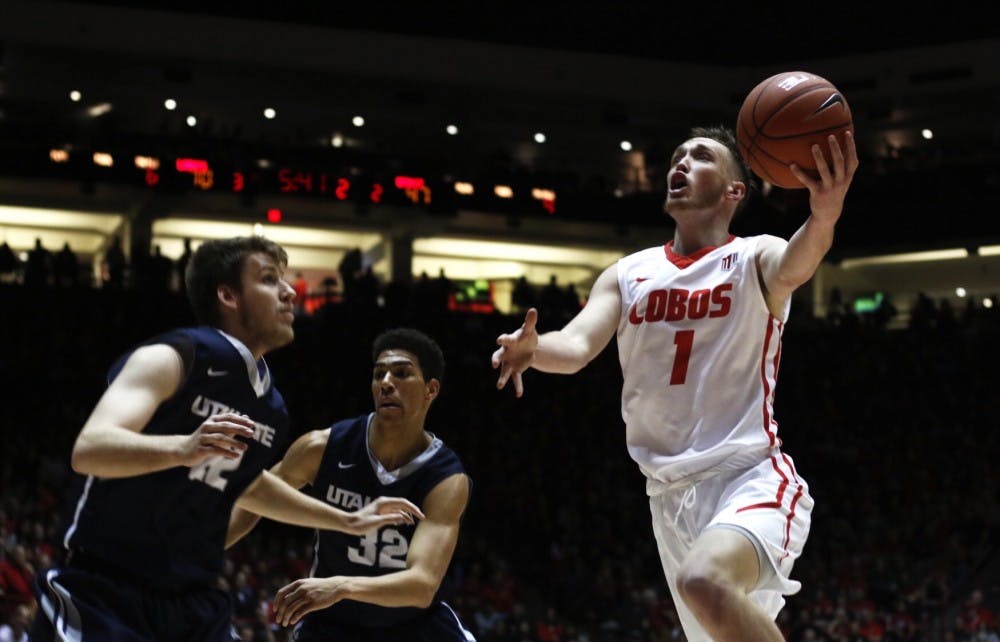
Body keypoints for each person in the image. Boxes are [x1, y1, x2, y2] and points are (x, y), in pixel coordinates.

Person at [491, 125, 858, 642]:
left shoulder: (755, 256)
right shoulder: (627, 274)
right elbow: (575, 347)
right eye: (677, 157)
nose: (680, 164)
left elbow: (800, 260)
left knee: (704, 580)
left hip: (747, 475)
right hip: (667, 499)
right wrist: (534, 349)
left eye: (700, 157)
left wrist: (823, 214)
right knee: (706, 595)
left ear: (735, 191)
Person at [31, 236, 422, 642]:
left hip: (193, 604)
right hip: (105, 592)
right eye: (270, 280)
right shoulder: (174, 357)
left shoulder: (271, 407)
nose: (289, 291)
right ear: (228, 295)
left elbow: (248, 482)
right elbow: (90, 449)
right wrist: (183, 448)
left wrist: (346, 520)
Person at [227, 327, 475, 642]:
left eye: (402, 374)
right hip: (333, 624)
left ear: (431, 389)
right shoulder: (322, 448)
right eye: (379, 374)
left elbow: (422, 585)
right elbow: (254, 498)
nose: (386, 383)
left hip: (415, 626)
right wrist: (204, 550)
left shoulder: (446, 479)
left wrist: (342, 586)